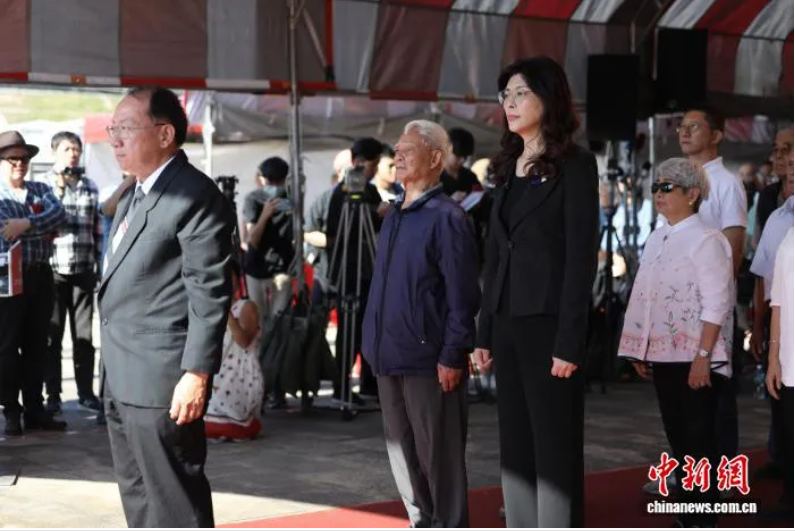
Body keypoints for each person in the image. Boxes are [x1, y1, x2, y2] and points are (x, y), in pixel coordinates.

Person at [473, 56, 600, 528]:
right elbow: (495, 256)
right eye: (505, 94)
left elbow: (580, 257)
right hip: (507, 320)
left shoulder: (576, 165)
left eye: (521, 93)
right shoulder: (507, 167)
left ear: (548, 97)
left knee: (554, 442)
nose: (510, 103)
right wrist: (484, 330)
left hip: (549, 324)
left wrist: (570, 340)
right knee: (515, 443)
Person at [100, 87, 233, 527]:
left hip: (162, 382)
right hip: (122, 374)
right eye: (112, 129)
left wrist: (197, 374)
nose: (115, 139)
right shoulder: (134, 192)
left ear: (164, 134)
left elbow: (209, 291)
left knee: (174, 503)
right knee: (138, 497)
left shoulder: (193, 195)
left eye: (125, 128)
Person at [361, 120, 481, 527]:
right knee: (402, 454)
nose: (397, 155)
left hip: (429, 358)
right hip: (388, 353)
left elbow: (463, 294)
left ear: (434, 159)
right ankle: (422, 521)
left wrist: (453, 353)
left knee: (439, 457)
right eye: (396, 149)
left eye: (408, 149)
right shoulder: (394, 215)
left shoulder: (447, 217)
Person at [619, 158, 734, 528]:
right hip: (665, 354)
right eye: (656, 186)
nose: (658, 193)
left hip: (696, 355)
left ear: (693, 193)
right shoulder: (657, 236)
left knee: (699, 437)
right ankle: (688, 513)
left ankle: (703, 517)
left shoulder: (707, 239)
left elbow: (717, 302)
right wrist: (640, 346)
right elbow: (648, 296)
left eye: (667, 187)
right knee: (679, 437)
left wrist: (703, 355)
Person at [0, 131, 67, 436]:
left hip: (40, 275)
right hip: (8, 278)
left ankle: (34, 409)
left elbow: (60, 215)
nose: (20, 164)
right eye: (12, 158)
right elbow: (4, 231)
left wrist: (25, 224)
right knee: (7, 348)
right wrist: (39, 226)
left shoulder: (40, 188)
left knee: (38, 345)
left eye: (24, 158)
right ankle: (11, 410)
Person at [44, 131, 103, 414]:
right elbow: (45, 222)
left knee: (85, 338)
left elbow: (98, 231)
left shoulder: (90, 187)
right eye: (67, 149)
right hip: (54, 271)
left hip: (83, 270)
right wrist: (59, 188)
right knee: (52, 337)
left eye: (76, 149)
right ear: (54, 152)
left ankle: (85, 393)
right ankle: (53, 394)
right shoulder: (44, 185)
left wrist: (99, 266)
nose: (73, 154)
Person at [326, 137, 384, 401]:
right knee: (349, 330)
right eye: (374, 163)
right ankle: (341, 388)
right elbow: (338, 232)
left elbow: (375, 228)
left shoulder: (370, 191)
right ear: (360, 162)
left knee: (370, 328)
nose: (375, 169)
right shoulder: (342, 193)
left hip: (369, 269)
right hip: (349, 272)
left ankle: (369, 383)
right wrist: (374, 214)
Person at [205, 262, 264, 441]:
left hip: (239, 375)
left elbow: (244, 341)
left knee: (230, 425)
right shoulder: (207, 310)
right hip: (215, 372)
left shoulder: (246, 307)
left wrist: (227, 313)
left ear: (237, 282)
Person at [242, 157, 294, 320]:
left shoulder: (290, 200)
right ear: (262, 179)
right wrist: (265, 215)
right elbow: (252, 240)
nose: (274, 187)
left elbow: (298, 232)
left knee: (280, 320)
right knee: (258, 321)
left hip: (282, 269)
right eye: (270, 181)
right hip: (257, 268)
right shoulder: (253, 199)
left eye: (278, 182)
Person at [765, 226, 794, 518]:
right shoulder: (790, 236)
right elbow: (778, 302)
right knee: (788, 434)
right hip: (789, 359)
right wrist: (773, 357)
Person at [440, 127, 482, 202]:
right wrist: (450, 201)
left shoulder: (470, 176)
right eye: (458, 156)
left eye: (465, 157)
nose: (462, 160)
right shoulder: (432, 177)